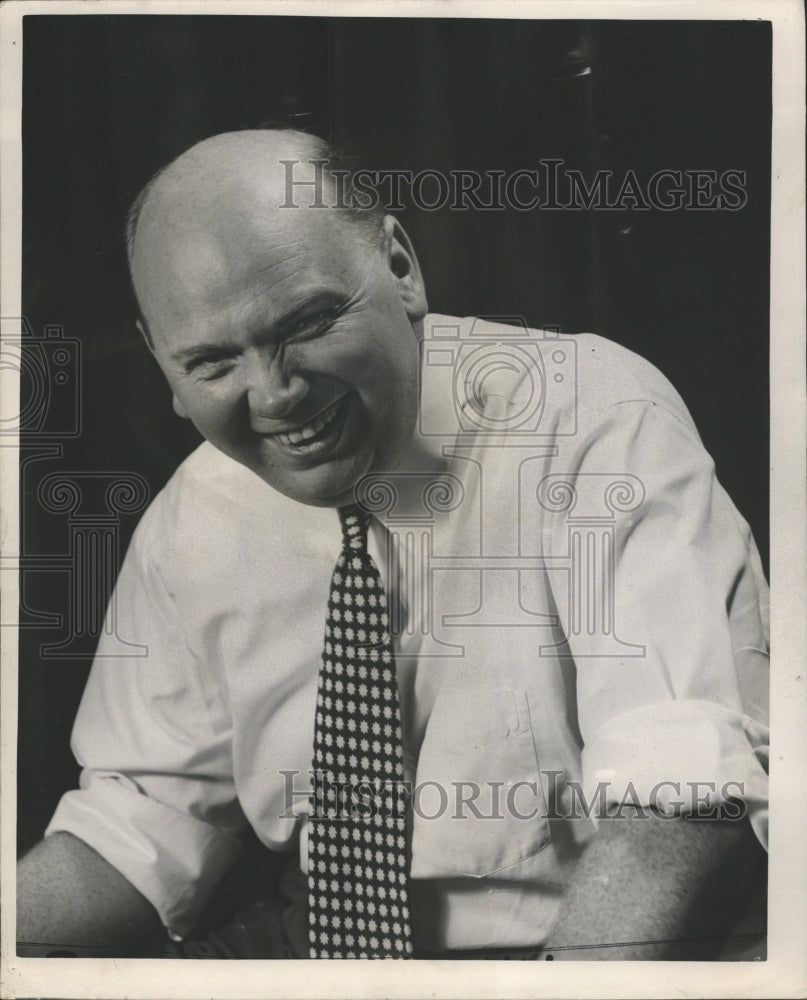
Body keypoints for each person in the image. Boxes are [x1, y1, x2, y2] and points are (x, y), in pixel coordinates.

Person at [17, 128, 769, 961]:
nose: (275, 395)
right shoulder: (192, 515)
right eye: (212, 362)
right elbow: (136, 830)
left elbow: (675, 800)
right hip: (315, 954)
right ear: (163, 365)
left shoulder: (594, 418)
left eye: (305, 323)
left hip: (581, 946)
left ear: (401, 270)